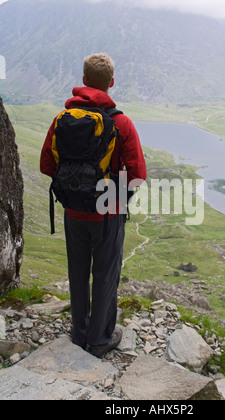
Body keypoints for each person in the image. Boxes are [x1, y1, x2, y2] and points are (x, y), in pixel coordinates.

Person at [40, 53, 147, 358]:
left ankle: (79, 332)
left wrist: (75, 186)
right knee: (105, 273)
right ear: (111, 83)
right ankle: (100, 339)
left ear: (84, 81)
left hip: (73, 212)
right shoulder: (121, 123)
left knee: (77, 270)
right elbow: (137, 174)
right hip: (107, 212)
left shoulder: (62, 119)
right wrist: (114, 197)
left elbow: (47, 164)